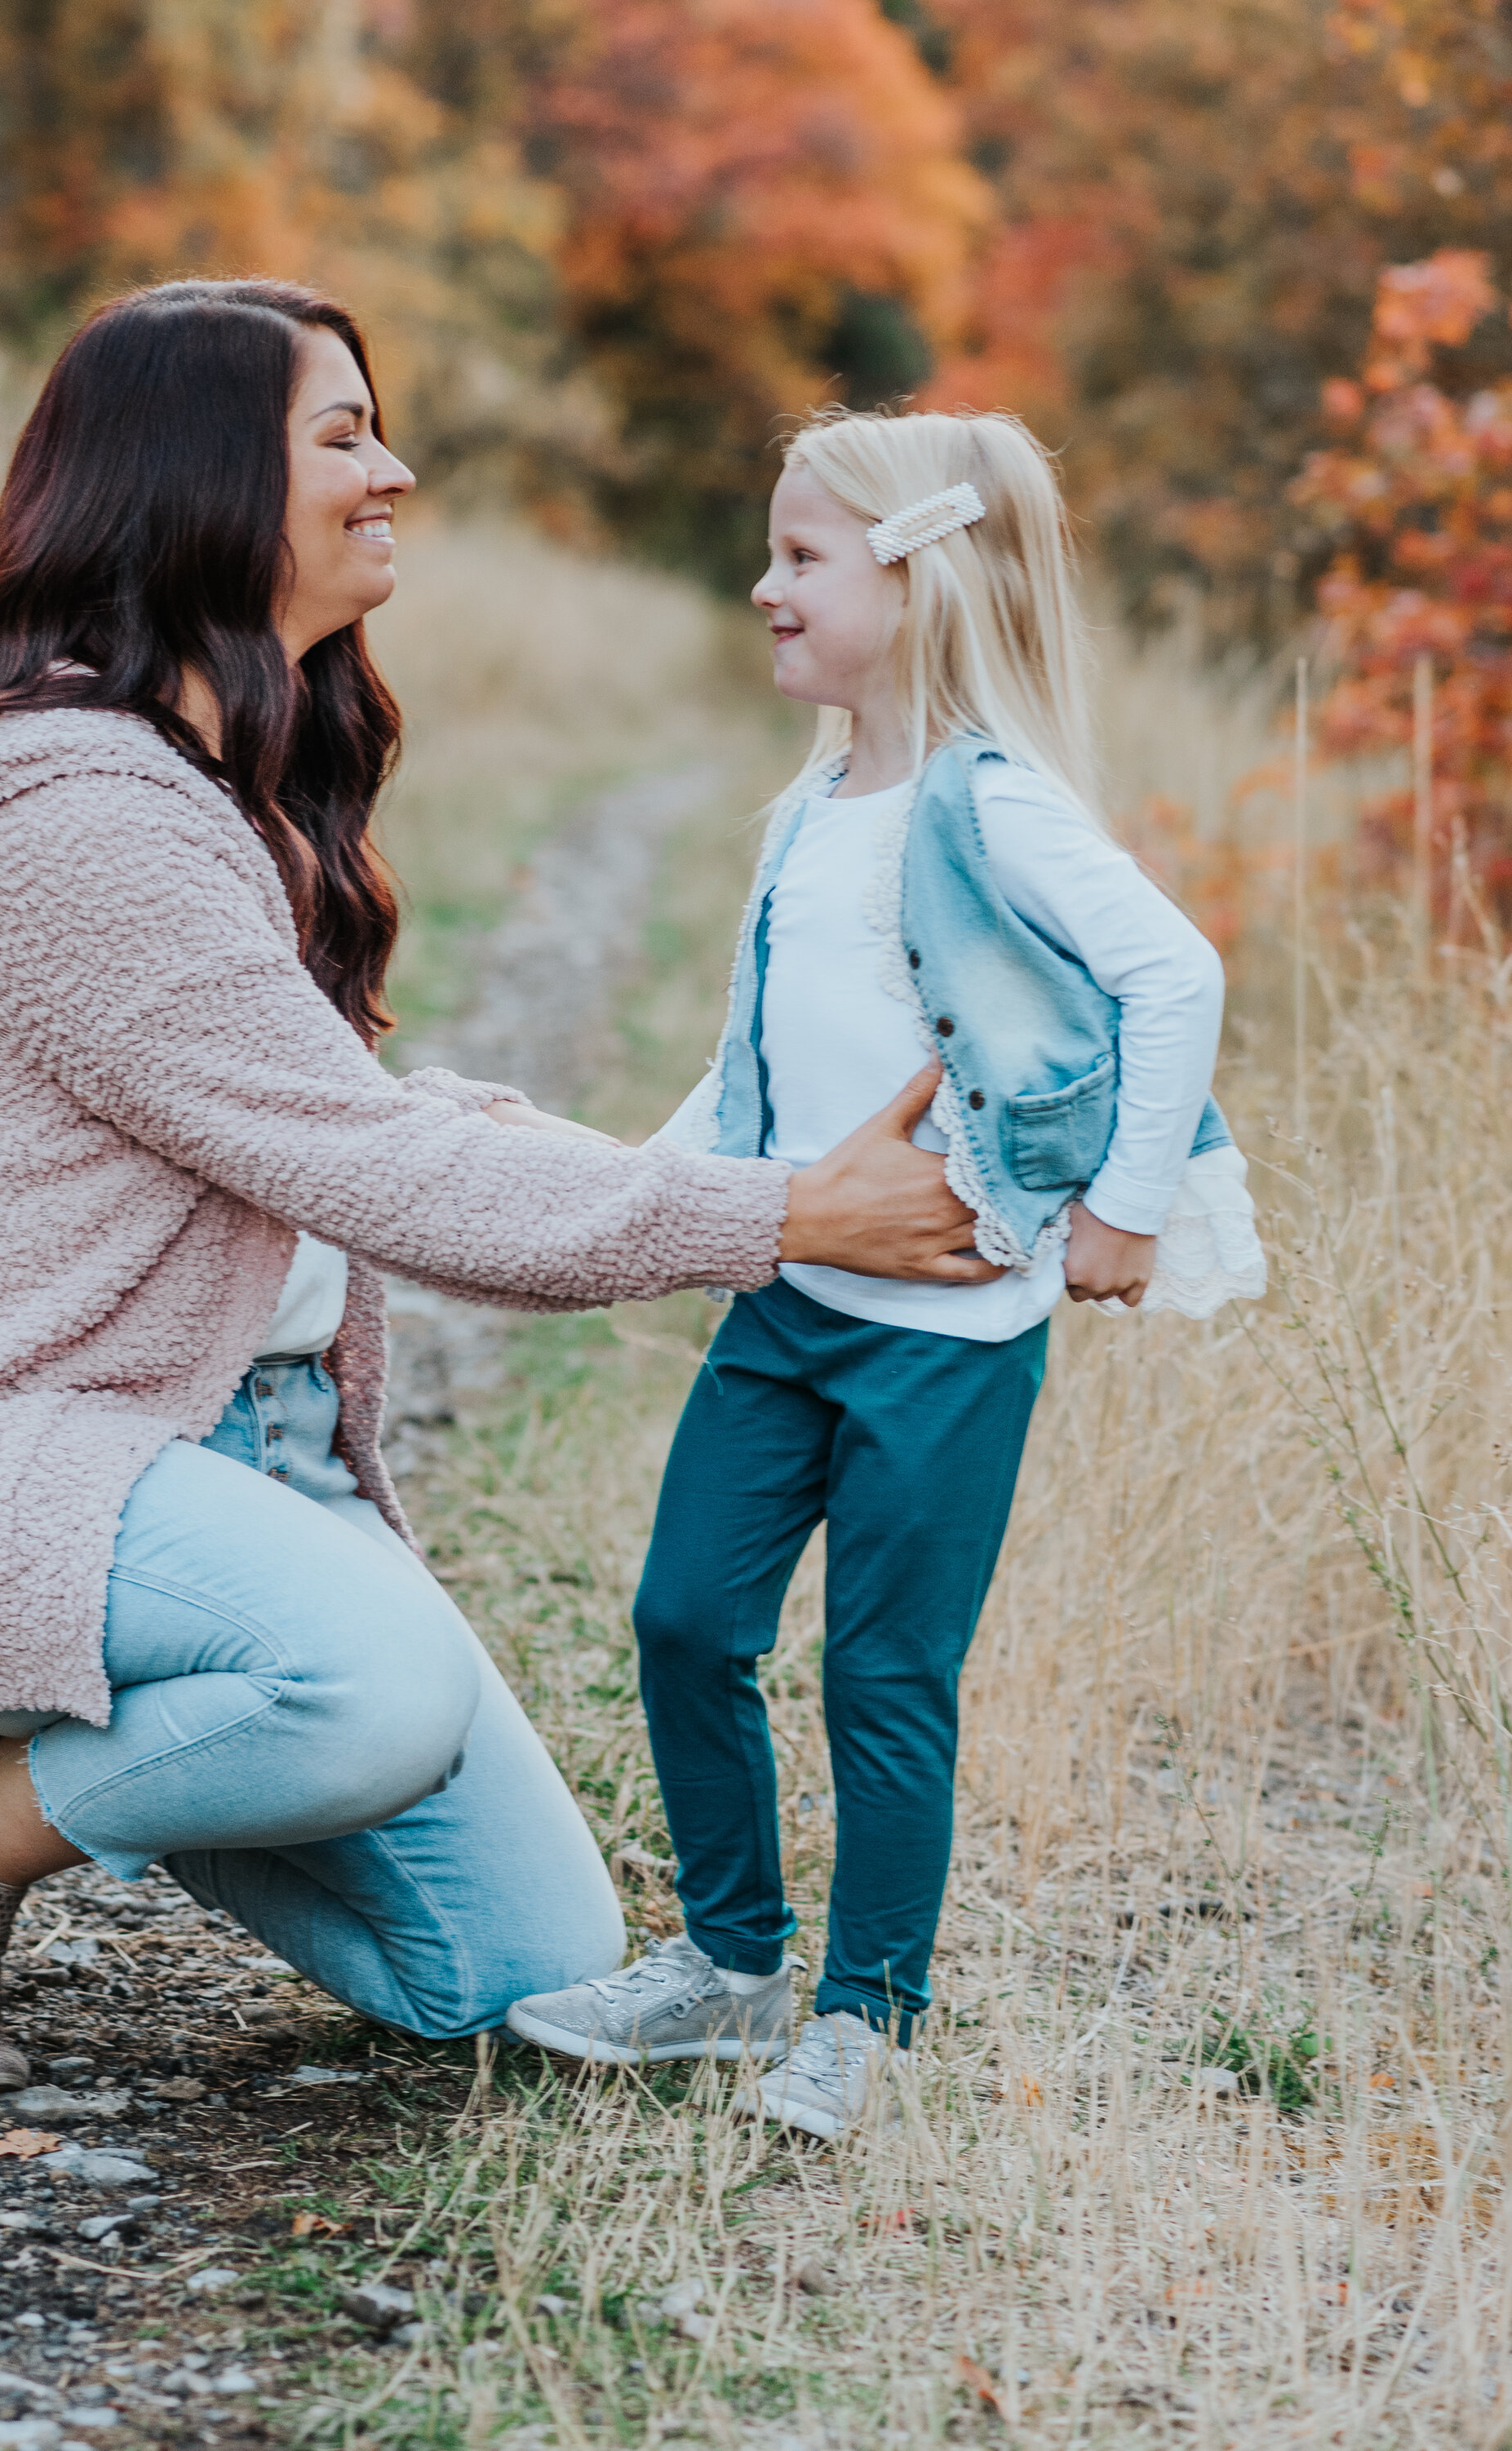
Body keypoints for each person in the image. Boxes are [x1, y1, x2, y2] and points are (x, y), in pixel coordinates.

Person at [0, 284, 996, 2106]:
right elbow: (387, 1170)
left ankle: (106, 1696)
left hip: (223, 1440)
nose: (392, 468)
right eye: (339, 434)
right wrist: (781, 1214)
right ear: (194, 478)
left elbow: (349, 1123)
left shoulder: (209, 784)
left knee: (510, 1979)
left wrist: (699, 1177)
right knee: (369, 1692)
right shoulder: (80, 822)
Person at [503, 408, 1265, 2138]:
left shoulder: (986, 802)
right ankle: (724, 1959)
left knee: (881, 1674)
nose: (761, 585)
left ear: (918, 581)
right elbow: (764, 1057)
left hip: (945, 1339)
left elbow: (1175, 975)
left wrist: (1121, 1210)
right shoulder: (803, 809)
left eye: (800, 557)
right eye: (769, 552)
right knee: (682, 1616)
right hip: (784, 1309)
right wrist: (646, 1188)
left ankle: (863, 2012)